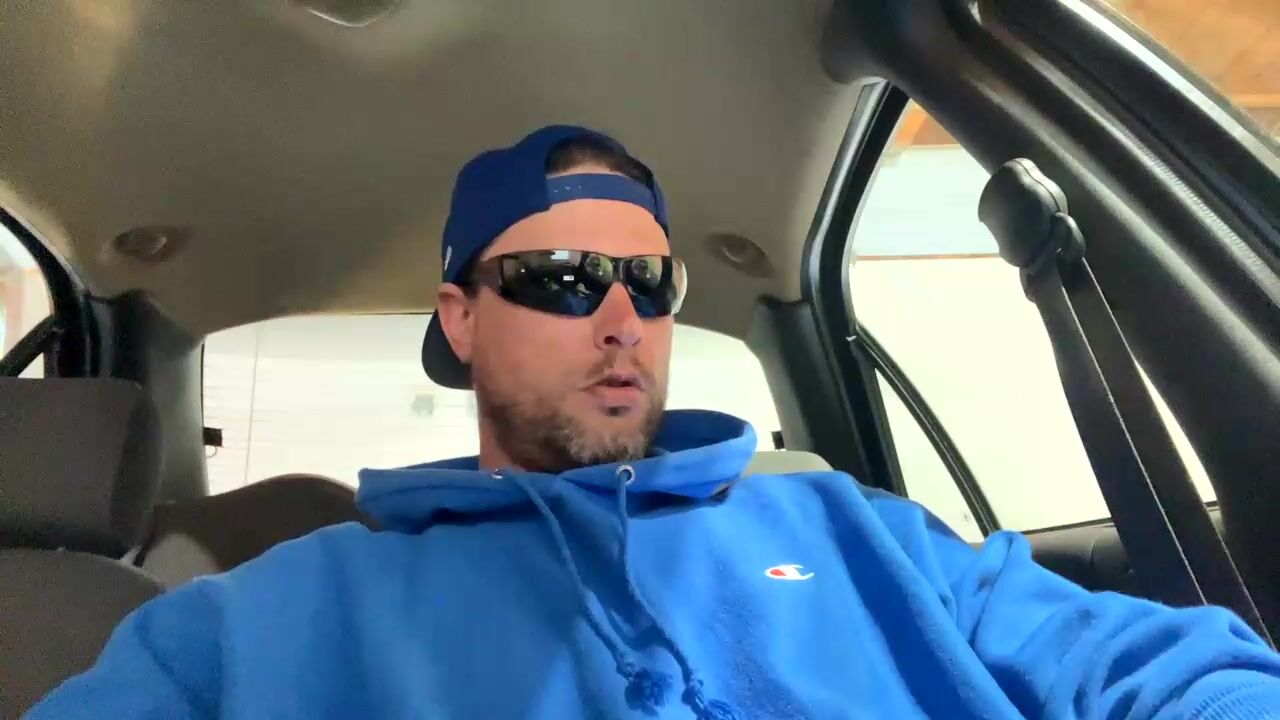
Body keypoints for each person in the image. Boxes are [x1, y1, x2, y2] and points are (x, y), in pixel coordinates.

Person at [27, 125, 1280, 719]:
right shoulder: (267, 617)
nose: (621, 316)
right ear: (461, 319)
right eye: (562, 278)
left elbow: (1168, 673)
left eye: (649, 280)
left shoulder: (860, 532)